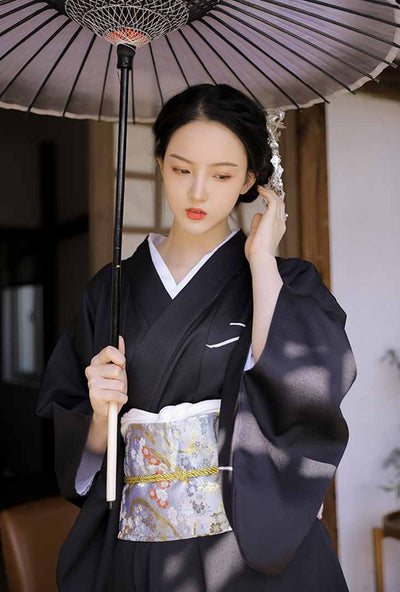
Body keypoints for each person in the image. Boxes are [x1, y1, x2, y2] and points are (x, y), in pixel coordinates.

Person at [36, 83, 357, 592]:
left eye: (223, 174)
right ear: (160, 162)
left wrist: (261, 263)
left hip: (246, 549)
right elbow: (79, 450)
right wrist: (100, 413)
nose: (199, 192)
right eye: (182, 169)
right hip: (140, 551)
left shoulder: (285, 282)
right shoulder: (111, 289)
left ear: (251, 178)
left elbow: (303, 393)